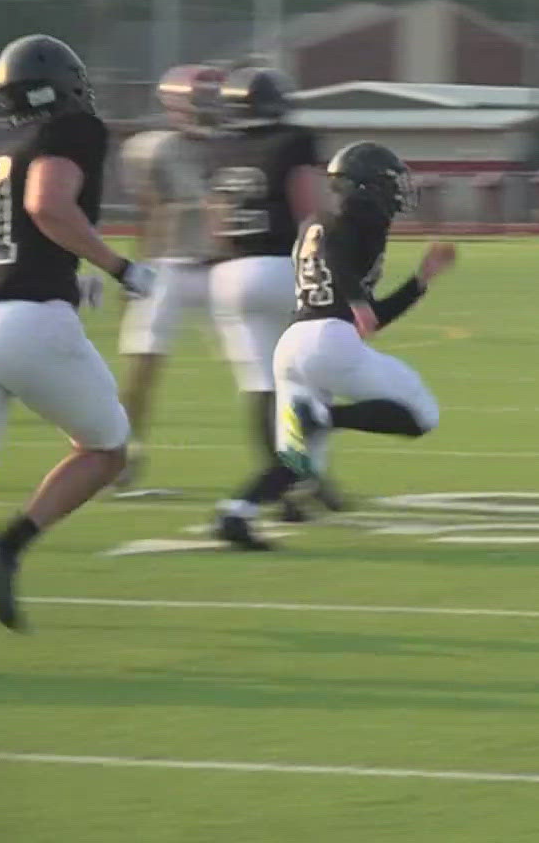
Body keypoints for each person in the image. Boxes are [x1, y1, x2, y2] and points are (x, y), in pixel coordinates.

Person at [0, 34, 154, 630]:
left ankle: (1, 549)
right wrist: (120, 268)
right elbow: (46, 205)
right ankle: (6, 547)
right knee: (106, 449)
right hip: (28, 321)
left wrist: (63, 273)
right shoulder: (73, 131)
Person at [213, 141, 456, 549]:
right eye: (390, 182)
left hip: (293, 346)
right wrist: (358, 300)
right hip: (329, 340)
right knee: (422, 414)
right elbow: (340, 255)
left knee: (296, 458)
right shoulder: (355, 217)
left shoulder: (315, 223)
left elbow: (370, 316)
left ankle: (236, 513)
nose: (397, 191)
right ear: (367, 185)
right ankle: (323, 416)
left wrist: (420, 281)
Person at [201, 67, 344, 535]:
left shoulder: (218, 146)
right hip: (280, 267)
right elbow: (308, 206)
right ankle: (307, 480)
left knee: (263, 387)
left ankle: (284, 484)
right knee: (313, 380)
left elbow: (216, 221)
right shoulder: (293, 141)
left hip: (228, 271)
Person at [112, 64, 223, 495]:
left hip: (224, 267)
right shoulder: (156, 149)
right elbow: (149, 213)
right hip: (170, 264)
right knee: (143, 363)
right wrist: (138, 271)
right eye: (205, 99)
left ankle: (293, 460)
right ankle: (121, 452)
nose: (213, 109)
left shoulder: (239, 142)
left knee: (273, 367)